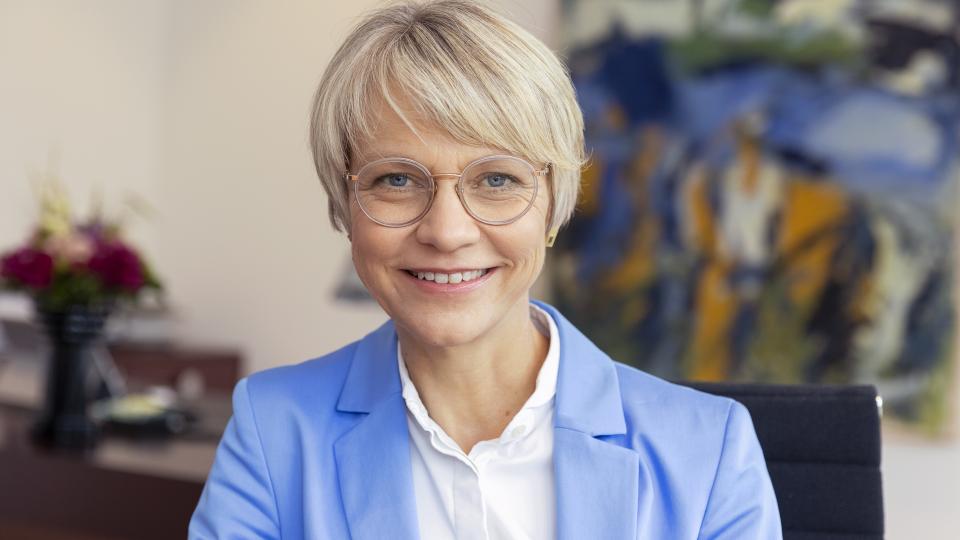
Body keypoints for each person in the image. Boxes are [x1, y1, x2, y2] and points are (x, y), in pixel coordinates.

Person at [188, 1, 782, 538]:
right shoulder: (272, 430)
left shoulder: (709, 450)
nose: (446, 232)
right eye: (396, 179)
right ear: (346, 209)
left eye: (497, 179)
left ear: (553, 203)